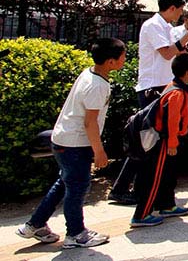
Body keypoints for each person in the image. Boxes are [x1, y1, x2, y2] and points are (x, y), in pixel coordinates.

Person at [16, 38, 125, 249]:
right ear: (111, 62)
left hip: (64, 140)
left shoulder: (90, 73)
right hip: (75, 144)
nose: (124, 60)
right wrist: (99, 151)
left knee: (64, 183)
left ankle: (34, 225)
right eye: (122, 57)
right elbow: (90, 122)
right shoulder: (97, 86)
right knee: (77, 188)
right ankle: (76, 234)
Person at [109, 0, 188, 205]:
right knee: (148, 143)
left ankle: (129, 188)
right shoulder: (153, 26)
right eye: (180, 10)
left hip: (163, 88)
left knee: (149, 142)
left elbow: (176, 53)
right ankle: (137, 192)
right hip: (152, 89)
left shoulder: (167, 27)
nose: (182, 15)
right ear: (171, 8)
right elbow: (168, 54)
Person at [130, 53, 188, 227]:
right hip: (165, 141)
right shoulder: (177, 93)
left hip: (169, 140)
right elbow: (172, 121)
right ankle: (141, 214)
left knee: (168, 175)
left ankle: (167, 205)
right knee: (156, 177)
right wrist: (172, 143)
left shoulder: (175, 86)